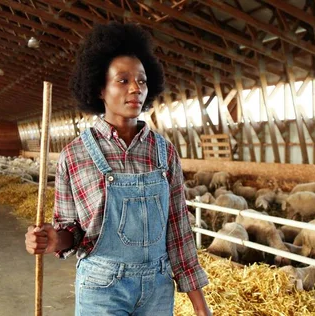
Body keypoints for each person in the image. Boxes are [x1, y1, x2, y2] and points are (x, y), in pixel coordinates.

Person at [24, 22, 211, 316]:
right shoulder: (74, 155)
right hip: (102, 288)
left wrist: (200, 305)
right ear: (100, 88)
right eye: (123, 81)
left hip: (159, 289)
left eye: (142, 81)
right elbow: (70, 232)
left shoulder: (164, 151)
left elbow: (178, 230)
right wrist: (50, 240)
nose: (136, 88)